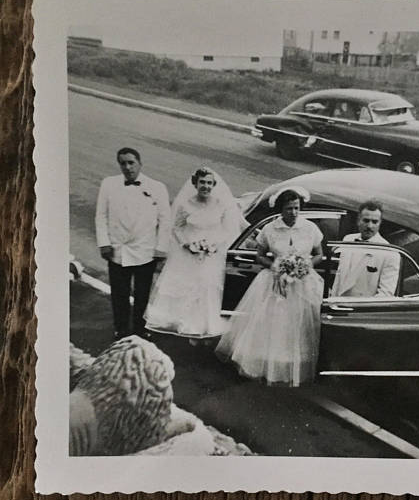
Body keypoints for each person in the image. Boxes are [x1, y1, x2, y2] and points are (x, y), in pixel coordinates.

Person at [216, 187, 324, 387]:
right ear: (281, 209)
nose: (293, 212)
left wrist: (305, 265)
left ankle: (292, 365)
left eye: (297, 208)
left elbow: (319, 254)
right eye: (289, 208)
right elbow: (260, 255)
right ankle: (265, 363)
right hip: (273, 281)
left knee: (297, 323)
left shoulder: (309, 228)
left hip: (302, 282)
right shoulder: (270, 229)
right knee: (273, 322)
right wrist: (275, 266)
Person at [145, 167, 247, 340]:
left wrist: (213, 245)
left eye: (209, 183)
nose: (205, 186)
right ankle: (181, 321)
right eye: (202, 182)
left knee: (205, 287)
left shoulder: (220, 204)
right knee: (184, 286)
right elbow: (176, 227)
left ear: (213, 185)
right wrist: (186, 244)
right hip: (188, 253)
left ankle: (201, 324)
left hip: (210, 255)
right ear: (195, 183)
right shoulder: (186, 204)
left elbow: (226, 230)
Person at [95, 147, 170, 339]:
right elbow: (101, 215)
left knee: (142, 293)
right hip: (117, 250)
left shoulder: (157, 187)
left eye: (131, 163)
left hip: (145, 250)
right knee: (119, 293)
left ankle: (139, 328)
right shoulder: (109, 184)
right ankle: (120, 328)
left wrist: (161, 249)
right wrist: (104, 243)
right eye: (123, 163)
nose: (127, 167)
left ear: (139, 164)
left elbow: (165, 220)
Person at [331, 200, 400, 298]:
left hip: (362, 310)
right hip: (338, 305)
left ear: (380, 223)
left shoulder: (389, 253)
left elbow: (385, 295)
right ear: (358, 220)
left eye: (374, 222)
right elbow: (339, 277)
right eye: (366, 220)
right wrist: (332, 302)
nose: (369, 226)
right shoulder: (348, 239)